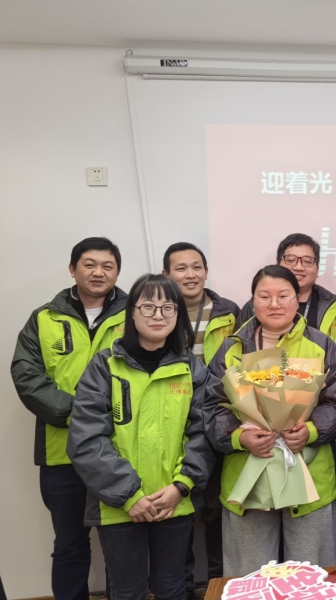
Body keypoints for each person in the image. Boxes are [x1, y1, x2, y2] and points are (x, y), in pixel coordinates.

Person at [67, 274, 215, 600]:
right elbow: (87, 439)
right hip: (118, 504)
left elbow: (203, 433)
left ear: (178, 314)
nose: (158, 315)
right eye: (148, 306)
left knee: (172, 588)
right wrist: (129, 496)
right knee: (127, 592)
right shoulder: (105, 366)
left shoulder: (192, 369)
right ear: (131, 312)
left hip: (174, 502)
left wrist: (181, 486)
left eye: (168, 307)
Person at [207, 265, 336, 575]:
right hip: (247, 474)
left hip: (310, 474)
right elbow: (212, 405)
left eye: (283, 295)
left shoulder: (322, 345)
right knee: (249, 577)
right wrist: (239, 438)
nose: (274, 304)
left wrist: (311, 430)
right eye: (264, 296)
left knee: (310, 577)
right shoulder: (232, 348)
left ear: (297, 299)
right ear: (253, 300)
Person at [11, 237, 126, 600]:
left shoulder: (135, 314)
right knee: (69, 545)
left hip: (121, 452)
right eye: (89, 264)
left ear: (117, 272)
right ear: (73, 269)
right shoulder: (44, 318)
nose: (98, 272)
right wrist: (82, 415)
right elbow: (27, 376)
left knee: (123, 545)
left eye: (107, 266)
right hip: (62, 455)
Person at [162, 242, 239, 597]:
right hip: (174, 424)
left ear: (206, 271)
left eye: (197, 267)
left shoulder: (230, 311)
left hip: (221, 420)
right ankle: (180, 587)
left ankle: (218, 587)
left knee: (219, 512)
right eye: (181, 268)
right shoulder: (158, 311)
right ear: (166, 274)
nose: (190, 275)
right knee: (178, 513)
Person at [236, 234, 336, 344]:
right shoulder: (254, 306)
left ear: (318, 270)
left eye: (307, 261)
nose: (299, 267)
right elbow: (239, 345)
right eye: (290, 260)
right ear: (278, 266)